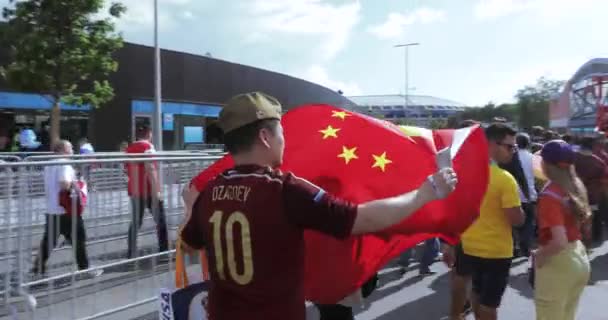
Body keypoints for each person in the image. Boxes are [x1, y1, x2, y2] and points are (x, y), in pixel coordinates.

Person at [179, 92, 458, 320]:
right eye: (281, 133)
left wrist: (194, 210)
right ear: (265, 137)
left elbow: (190, 242)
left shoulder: (211, 191)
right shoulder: (285, 190)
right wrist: (425, 194)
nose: (284, 141)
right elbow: (362, 219)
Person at [444, 123, 524, 320]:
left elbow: (453, 210)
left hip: (470, 247)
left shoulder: (461, 173)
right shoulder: (504, 179)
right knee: (488, 306)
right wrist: (523, 212)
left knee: (477, 296)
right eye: (509, 146)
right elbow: (516, 220)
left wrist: (449, 243)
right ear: (491, 144)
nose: (513, 151)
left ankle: (456, 316)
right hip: (496, 253)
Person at [534, 140, 591, 320]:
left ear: (546, 163)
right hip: (579, 255)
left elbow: (559, 241)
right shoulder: (576, 185)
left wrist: (540, 255)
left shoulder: (550, 194)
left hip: (559, 263)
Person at [31, 140, 100, 278]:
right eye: (71, 148)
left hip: (52, 209)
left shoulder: (49, 165)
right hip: (66, 210)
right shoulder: (65, 165)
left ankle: (37, 269)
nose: (73, 150)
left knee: (49, 241)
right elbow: (64, 184)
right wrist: (76, 184)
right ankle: (84, 269)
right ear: (62, 150)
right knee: (79, 238)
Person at [125, 125, 169, 259]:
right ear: (149, 134)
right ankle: (164, 251)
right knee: (160, 221)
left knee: (135, 222)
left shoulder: (129, 149)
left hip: (135, 191)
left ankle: (131, 252)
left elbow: (126, 170)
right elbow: (151, 169)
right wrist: (158, 191)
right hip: (149, 190)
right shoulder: (148, 148)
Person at [574, 136, 608, 245]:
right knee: (595, 215)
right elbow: (603, 181)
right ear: (593, 146)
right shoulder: (599, 162)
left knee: (576, 216)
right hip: (593, 194)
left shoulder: (572, 158)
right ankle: (594, 237)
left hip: (575, 193)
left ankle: (578, 237)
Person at [514, 133, 538, 257]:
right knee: (528, 222)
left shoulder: (510, 157)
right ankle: (525, 245)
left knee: (512, 223)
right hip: (530, 195)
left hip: (513, 195)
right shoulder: (533, 158)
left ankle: (514, 247)